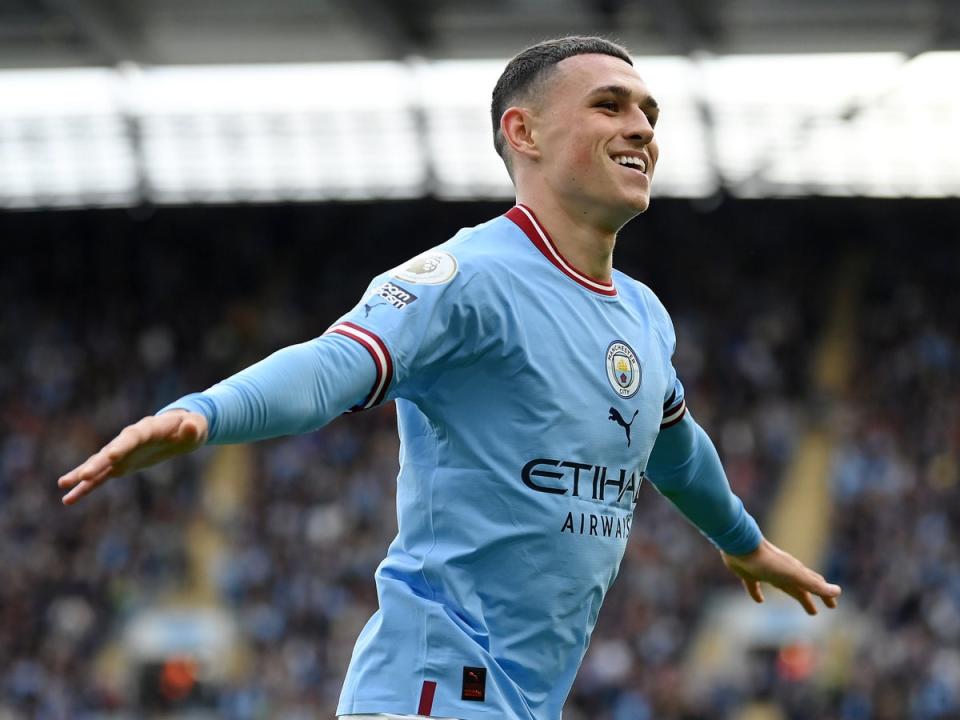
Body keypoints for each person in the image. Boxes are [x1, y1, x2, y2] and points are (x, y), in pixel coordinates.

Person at [59, 36, 841, 720]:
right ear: (522, 131)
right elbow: (338, 362)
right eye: (610, 105)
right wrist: (207, 412)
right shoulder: (467, 276)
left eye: (648, 113)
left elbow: (672, 444)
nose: (640, 127)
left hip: (523, 699)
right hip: (432, 689)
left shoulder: (642, 314)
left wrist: (741, 541)